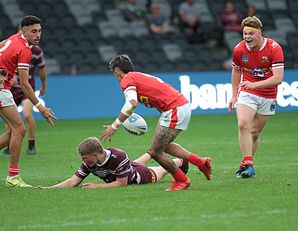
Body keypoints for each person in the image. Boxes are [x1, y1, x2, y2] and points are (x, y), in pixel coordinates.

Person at [101, 54, 211, 191]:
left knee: (155, 152)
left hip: (174, 109)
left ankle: (182, 180)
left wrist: (114, 125)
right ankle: (200, 162)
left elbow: (131, 103)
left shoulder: (127, 79)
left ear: (117, 72)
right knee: (164, 147)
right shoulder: (138, 77)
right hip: (178, 107)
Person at [0, 15, 57, 187]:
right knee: (19, 129)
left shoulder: (11, 39)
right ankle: (13, 178)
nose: (38, 35)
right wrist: (41, 107)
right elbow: (25, 84)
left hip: (4, 86)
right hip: (1, 90)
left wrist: (5, 73)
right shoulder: (25, 49)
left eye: (39, 31)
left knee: (13, 131)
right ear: (23, 31)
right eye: (34, 31)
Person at [228, 16, 284, 178]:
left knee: (254, 132)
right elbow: (236, 70)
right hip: (247, 92)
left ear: (260, 34)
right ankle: (248, 164)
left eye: (251, 34)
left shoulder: (274, 48)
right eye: (245, 33)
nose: (247, 37)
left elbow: (278, 78)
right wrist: (233, 95)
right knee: (243, 124)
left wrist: (255, 85)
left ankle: (244, 163)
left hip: (268, 95)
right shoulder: (239, 49)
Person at [44, 137, 189, 189]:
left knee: (162, 169)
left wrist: (98, 186)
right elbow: (73, 182)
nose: (83, 161)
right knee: (140, 159)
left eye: (84, 158)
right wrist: (49, 189)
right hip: (128, 167)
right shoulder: (90, 163)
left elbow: (121, 183)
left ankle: (182, 160)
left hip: (141, 175)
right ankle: (152, 152)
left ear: (95, 155)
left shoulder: (118, 156)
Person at [3, 41, 47, 155]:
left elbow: (42, 69)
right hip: (10, 90)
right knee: (9, 122)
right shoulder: (11, 48)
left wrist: (43, 85)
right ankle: (9, 146)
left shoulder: (36, 51)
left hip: (27, 89)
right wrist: (6, 78)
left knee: (27, 114)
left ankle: (31, 144)